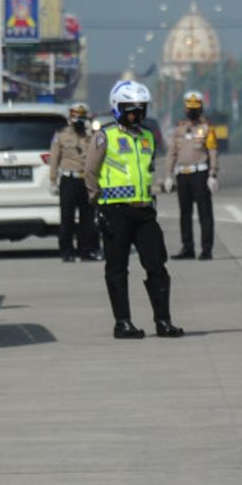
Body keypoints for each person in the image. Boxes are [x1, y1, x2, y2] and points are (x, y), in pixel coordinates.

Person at [84, 80, 184, 339]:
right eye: (131, 110)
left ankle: (163, 321)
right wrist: (99, 206)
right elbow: (90, 173)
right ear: (117, 108)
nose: (136, 115)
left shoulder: (148, 136)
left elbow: (148, 170)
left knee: (157, 264)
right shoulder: (104, 136)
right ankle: (123, 322)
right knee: (117, 267)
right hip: (115, 212)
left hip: (144, 212)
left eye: (141, 110)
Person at [163, 90, 219, 260]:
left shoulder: (207, 128)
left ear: (201, 108)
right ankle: (187, 248)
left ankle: (206, 249)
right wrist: (168, 175)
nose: (192, 111)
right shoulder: (179, 128)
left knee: (205, 213)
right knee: (184, 213)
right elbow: (172, 152)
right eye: (190, 108)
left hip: (200, 173)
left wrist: (212, 174)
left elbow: (212, 151)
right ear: (185, 108)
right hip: (182, 175)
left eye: (195, 108)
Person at [50, 102, 100, 262]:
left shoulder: (91, 134)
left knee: (88, 218)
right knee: (67, 217)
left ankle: (86, 250)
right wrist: (53, 180)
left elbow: (98, 156)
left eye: (82, 116)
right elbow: (54, 158)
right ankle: (67, 251)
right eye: (76, 115)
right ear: (70, 117)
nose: (79, 119)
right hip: (68, 179)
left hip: (86, 180)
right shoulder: (61, 135)